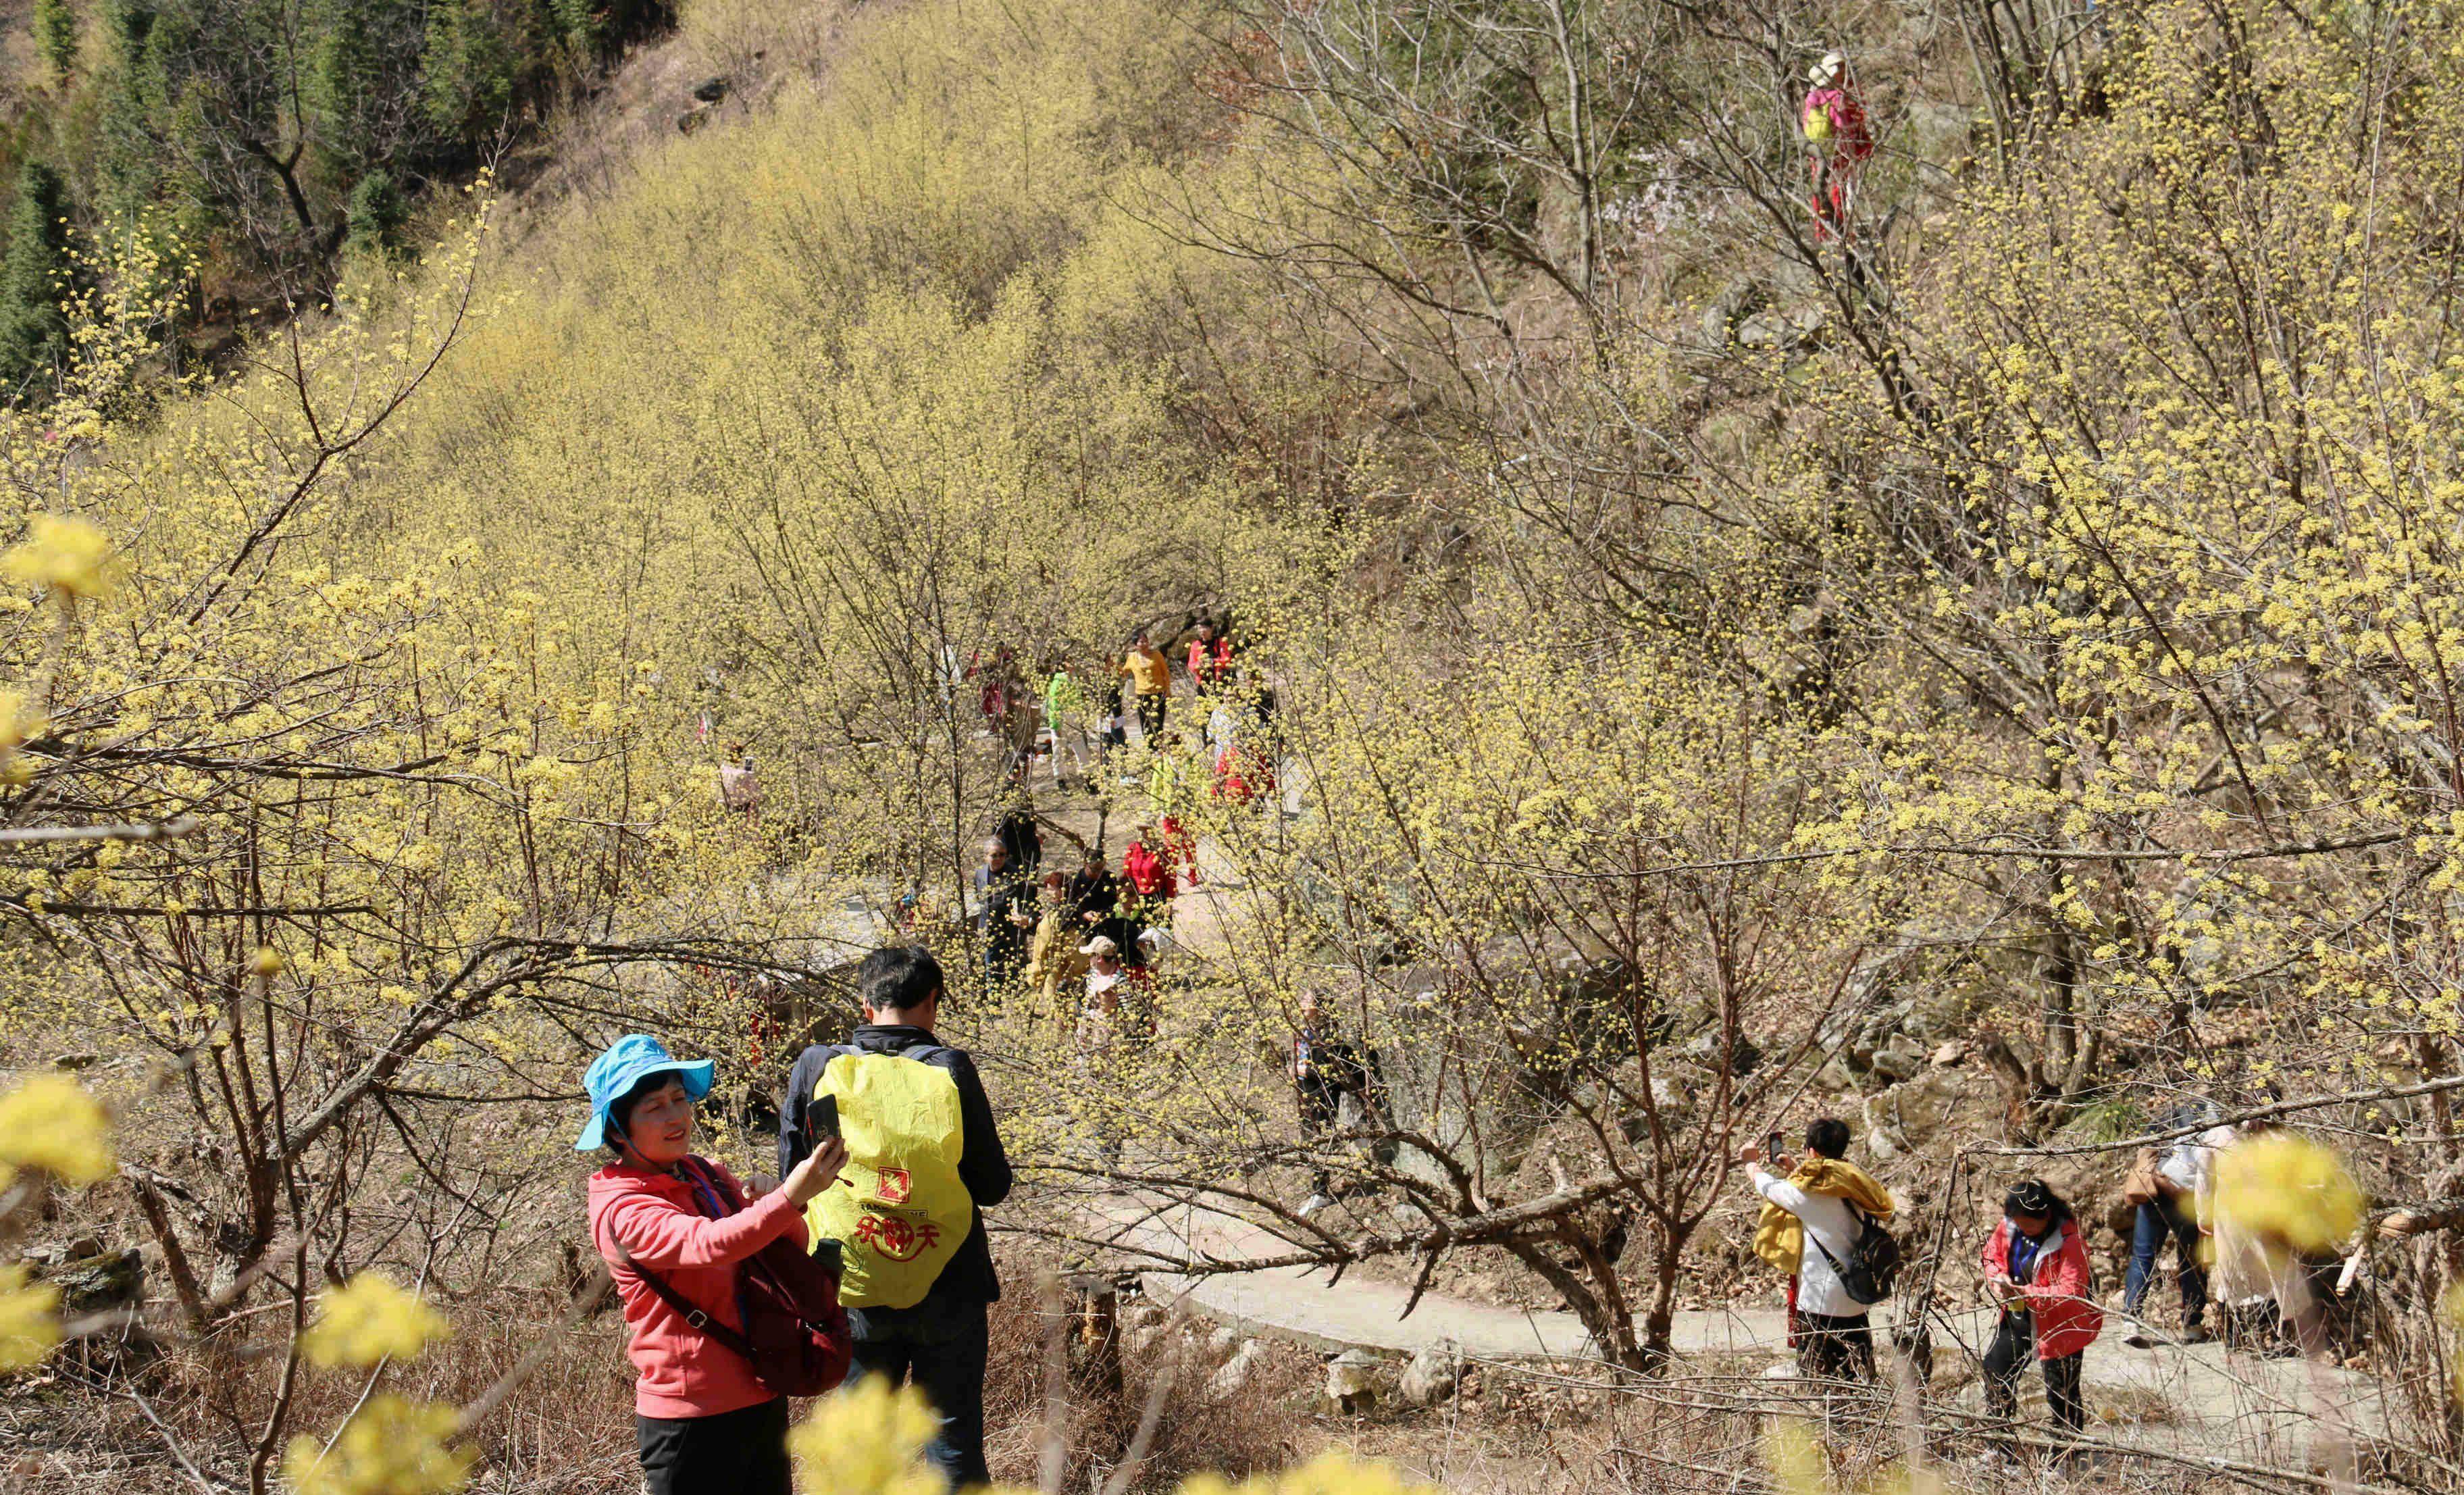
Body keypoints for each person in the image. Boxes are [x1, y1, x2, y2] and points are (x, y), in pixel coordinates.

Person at [779, 948, 1013, 1488]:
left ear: (865, 1004)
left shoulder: (817, 1065)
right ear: (932, 1003)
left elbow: (795, 1179)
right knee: (952, 1439)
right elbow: (993, 1186)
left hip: (854, 1284)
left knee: (861, 1447)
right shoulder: (950, 1068)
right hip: (949, 1286)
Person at [584, 1035, 850, 1495]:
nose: (676, 1116)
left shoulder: (704, 1172)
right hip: (689, 1419)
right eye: (654, 1107)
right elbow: (710, 1243)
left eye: (679, 1099)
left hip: (762, 1390)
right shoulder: (623, 1210)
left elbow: (787, 1248)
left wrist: (775, 1201)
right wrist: (791, 1196)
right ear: (616, 1130)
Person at [1745, 1117, 1895, 1384]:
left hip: (1818, 1307)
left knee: (1820, 1386)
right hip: (1856, 1300)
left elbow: (1767, 1186)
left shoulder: (1805, 1194)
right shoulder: (1855, 1183)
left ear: (1811, 1151)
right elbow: (1822, 1186)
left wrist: (1750, 1162)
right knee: (1859, 1385)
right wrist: (1795, 1168)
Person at [1982, 1179, 2103, 1438]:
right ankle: (2000, 1444)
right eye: (2019, 1223)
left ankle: (2065, 1456)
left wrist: (2026, 1293)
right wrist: (1999, 1277)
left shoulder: (2070, 1241)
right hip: (2018, 1316)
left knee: (2062, 1394)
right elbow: (1992, 1256)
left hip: (2061, 1325)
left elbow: (2071, 1292)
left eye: (2030, 1224)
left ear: (2046, 1215)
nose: (2024, 1229)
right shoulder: (2010, 1227)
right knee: (1996, 1370)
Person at [2122, 1104, 2226, 1346]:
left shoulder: (2168, 1115)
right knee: (2192, 1261)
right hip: (2190, 1198)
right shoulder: (2217, 1120)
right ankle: (2192, 1323)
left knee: (2144, 1255)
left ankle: (2130, 1319)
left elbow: (2146, 1149)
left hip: (2156, 1192)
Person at [1293, 991, 1383, 1218]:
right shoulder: (1305, 1031)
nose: (1302, 1004)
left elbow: (1331, 1071)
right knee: (1311, 1140)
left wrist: (1305, 1070)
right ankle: (1318, 1189)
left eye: (1307, 1001)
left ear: (1320, 1007)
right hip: (1307, 1094)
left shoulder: (1329, 1034)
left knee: (1319, 1139)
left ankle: (1321, 1191)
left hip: (1322, 1096)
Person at [1800, 52, 1872, 241]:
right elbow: (1845, 124)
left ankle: (1822, 230)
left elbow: (1806, 124)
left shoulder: (1812, 97)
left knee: (1820, 187)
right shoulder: (1839, 96)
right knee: (1839, 187)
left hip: (1817, 149)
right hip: (1839, 148)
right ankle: (1843, 230)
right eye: (1841, 67)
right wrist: (1854, 147)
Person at [971, 838, 1035, 992]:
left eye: (1002, 855)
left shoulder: (1016, 873)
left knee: (1016, 968)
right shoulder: (980, 874)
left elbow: (1029, 901)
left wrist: (1026, 918)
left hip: (1012, 930)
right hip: (990, 930)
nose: (999, 858)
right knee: (991, 968)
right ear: (986, 856)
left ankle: (1017, 1000)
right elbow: (979, 899)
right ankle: (994, 1002)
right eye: (994, 855)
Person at [1023, 871, 1089, 1019]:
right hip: (1066, 966)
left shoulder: (1063, 914)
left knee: (1060, 1000)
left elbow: (1043, 945)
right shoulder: (1066, 911)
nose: (1048, 892)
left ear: (1063, 890)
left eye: (1052, 889)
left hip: (1068, 967)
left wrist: (1037, 970)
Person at [1121, 631, 1173, 749]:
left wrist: (1168, 690)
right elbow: (1124, 672)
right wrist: (1111, 666)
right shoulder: (1132, 657)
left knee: (1158, 724)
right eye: (1141, 642)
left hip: (1159, 694)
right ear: (1135, 645)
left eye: (1146, 641)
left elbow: (1165, 673)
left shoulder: (1156, 654)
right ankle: (1151, 750)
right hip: (1142, 695)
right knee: (1145, 725)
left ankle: (1160, 748)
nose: (1144, 644)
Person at [1186, 616, 1235, 691]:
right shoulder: (1196, 645)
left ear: (1212, 628)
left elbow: (1227, 660)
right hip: (1203, 684)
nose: (1202, 631)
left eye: (1205, 628)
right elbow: (1191, 665)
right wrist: (1199, 665)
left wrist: (1213, 662)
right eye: (1199, 628)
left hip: (1219, 682)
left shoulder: (1220, 642)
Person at [718, 743, 762, 818]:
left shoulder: (722, 769)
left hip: (723, 805)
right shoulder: (743, 774)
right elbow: (754, 789)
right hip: (737, 807)